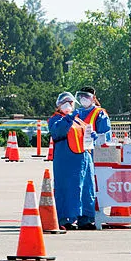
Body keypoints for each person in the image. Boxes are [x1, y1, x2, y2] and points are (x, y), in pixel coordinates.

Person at [47, 92, 97, 231]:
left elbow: (84, 133)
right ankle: (66, 219)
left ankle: (85, 218)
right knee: (68, 189)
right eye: (65, 102)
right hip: (67, 161)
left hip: (83, 159)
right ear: (58, 105)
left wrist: (92, 135)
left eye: (70, 102)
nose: (68, 104)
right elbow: (57, 132)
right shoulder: (56, 119)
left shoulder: (78, 120)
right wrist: (68, 118)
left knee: (86, 189)